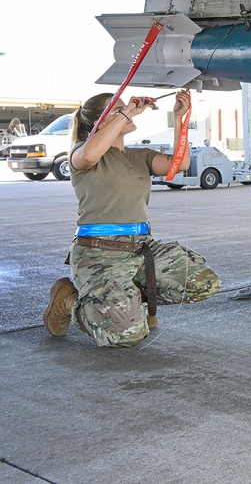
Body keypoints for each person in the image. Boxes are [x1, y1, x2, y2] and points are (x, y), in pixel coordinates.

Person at [42, 91, 221, 347]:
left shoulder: (139, 156)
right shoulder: (81, 153)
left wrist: (180, 120)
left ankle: (129, 303)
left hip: (141, 248)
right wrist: (128, 111)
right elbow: (90, 156)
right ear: (99, 123)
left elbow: (177, 165)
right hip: (100, 253)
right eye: (117, 109)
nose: (127, 110)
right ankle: (68, 302)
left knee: (205, 283)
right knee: (128, 335)